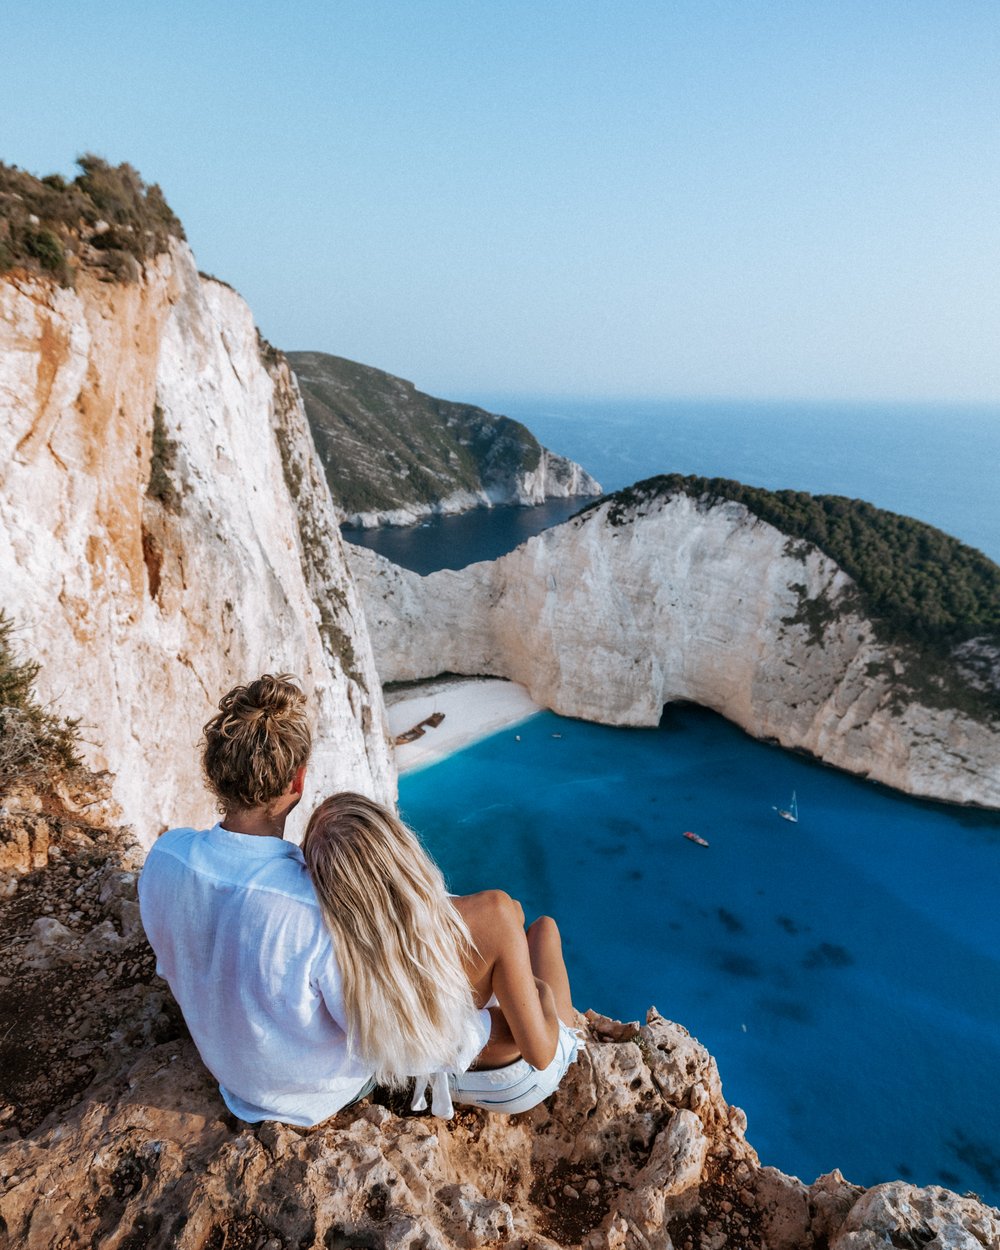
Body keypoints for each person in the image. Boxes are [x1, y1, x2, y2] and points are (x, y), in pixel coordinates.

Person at [137, 674, 376, 1126]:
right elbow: (371, 1035)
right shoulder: (313, 905)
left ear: (215, 770)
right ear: (298, 781)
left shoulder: (165, 858)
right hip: (315, 1096)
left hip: (228, 1074)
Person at [301, 791, 582, 1118]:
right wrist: (540, 993)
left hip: (438, 1079)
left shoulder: (346, 951)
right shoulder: (491, 912)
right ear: (401, 846)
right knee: (544, 929)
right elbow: (541, 1054)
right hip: (518, 1082)